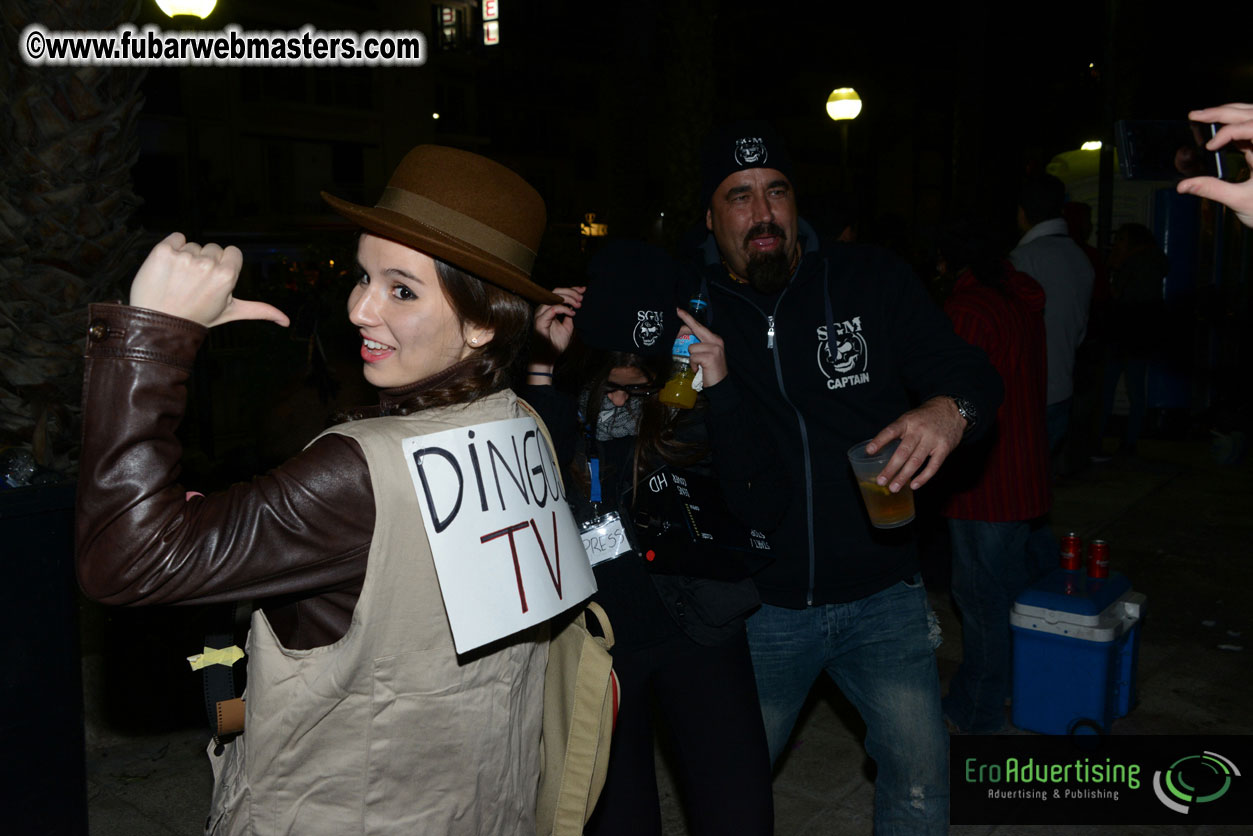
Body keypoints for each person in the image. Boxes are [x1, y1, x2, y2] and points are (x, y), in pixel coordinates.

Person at [75, 146, 565, 835]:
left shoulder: (358, 471)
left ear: (484, 321)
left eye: (402, 290)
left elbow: (119, 563)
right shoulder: (521, 428)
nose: (359, 308)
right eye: (364, 276)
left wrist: (154, 337)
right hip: (483, 802)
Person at [683, 122, 1003, 834]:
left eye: (776, 192)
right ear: (711, 218)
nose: (762, 212)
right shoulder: (690, 309)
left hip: (882, 593)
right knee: (729, 796)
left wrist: (950, 411)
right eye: (739, 197)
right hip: (761, 608)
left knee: (920, 782)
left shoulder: (869, 279)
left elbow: (968, 370)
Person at [522, 240, 779, 836]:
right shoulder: (555, 392)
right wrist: (542, 368)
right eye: (609, 383)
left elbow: (762, 505)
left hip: (699, 631)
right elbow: (533, 495)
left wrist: (722, 389)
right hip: (597, 650)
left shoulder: (690, 391)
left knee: (739, 816)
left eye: (638, 386)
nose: (622, 399)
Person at [933, 222, 1050, 734]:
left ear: (948, 262)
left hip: (988, 482)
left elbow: (950, 403)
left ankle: (977, 709)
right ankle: (1015, 689)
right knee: (1006, 594)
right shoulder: (1016, 299)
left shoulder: (969, 311)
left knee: (980, 600)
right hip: (1022, 467)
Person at [1009, 174, 1095, 458]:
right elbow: (1080, 330)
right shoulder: (1079, 257)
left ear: (1022, 212)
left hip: (1029, 394)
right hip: (1063, 387)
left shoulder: (1023, 260)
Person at [1096, 223, 1171, 457]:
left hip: (1122, 332)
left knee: (1107, 389)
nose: (1117, 243)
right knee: (1136, 389)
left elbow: (1117, 294)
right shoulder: (1156, 261)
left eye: (1121, 239)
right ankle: (1131, 440)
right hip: (1142, 334)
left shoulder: (1130, 263)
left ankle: (1097, 438)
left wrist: (1113, 269)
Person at [1177, 102, 1253, 227]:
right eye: (1185, 153)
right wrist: (1195, 129)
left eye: (1185, 149)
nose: (1187, 151)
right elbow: (1203, 147)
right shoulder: (1208, 160)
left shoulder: (1210, 156)